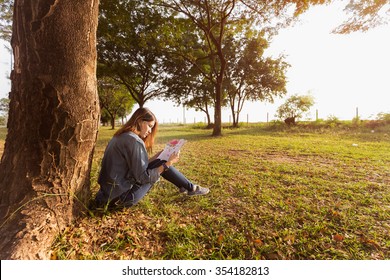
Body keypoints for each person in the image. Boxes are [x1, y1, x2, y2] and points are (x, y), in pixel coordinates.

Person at [95, 107, 209, 208]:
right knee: (163, 163)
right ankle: (190, 187)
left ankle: (188, 187)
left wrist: (157, 156)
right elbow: (143, 177)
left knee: (160, 160)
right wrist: (168, 164)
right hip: (121, 198)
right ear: (140, 121)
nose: (150, 131)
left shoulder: (122, 136)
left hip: (107, 195)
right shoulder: (134, 141)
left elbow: (136, 167)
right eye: (149, 126)